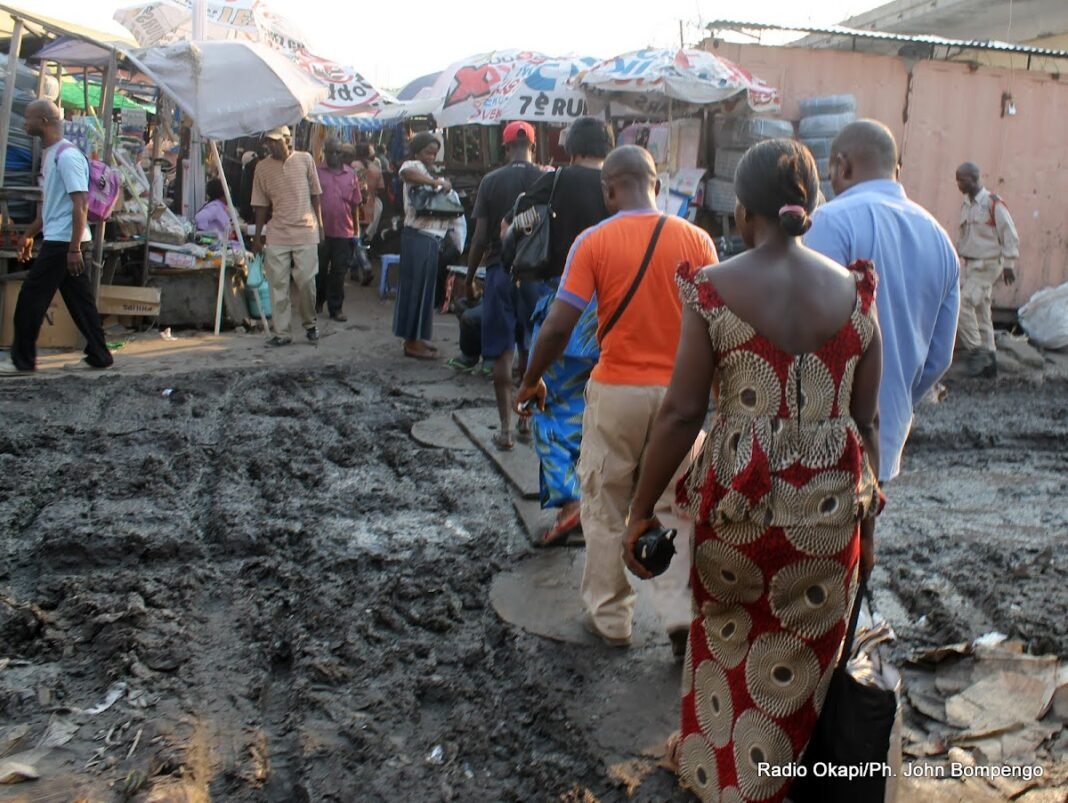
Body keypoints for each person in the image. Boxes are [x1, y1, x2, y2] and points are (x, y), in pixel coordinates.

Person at [622, 138, 884, 803]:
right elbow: (869, 425)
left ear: (743, 214)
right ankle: (785, 779)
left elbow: (682, 413)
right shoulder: (856, 296)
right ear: (811, 208)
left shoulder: (714, 290)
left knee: (728, 642)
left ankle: (729, 778)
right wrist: (870, 533)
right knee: (803, 657)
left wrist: (639, 509)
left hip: (738, 510)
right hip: (829, 519)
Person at [516, 145, 718, 652]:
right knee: (674, 503)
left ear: (610, 188)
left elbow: (560, 323)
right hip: (682, 397)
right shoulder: (698, 239)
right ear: (655, 182)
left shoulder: (594, 241)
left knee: (605, 501)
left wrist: (532, 378)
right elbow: (717, 324)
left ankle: (611, 619)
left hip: (618, 392)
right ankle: (678, 617)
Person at [804, 119, 959, 482]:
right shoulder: (940, 239)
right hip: (886, 435)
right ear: (896, 170)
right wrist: (896, 396)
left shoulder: (830, 222)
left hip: (819, 435)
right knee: (865, 533)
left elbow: (803, 328)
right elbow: (940, 358)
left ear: (842, 164)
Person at [512, 117, 613, 545]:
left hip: (567, 306)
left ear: (571, 146)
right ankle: (597, 499)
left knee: (548, 403)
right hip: (613, 313)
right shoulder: (622, 183)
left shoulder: (556, 182)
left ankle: (571, 502)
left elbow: (516, 222)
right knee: (597, 409)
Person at [0, 99, 113, 376]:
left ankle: (22, 361)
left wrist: (73, 249)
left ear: (44, 121)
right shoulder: (51, 154)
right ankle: (99, 354)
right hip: (62, 239)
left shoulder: (68, 157)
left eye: (28, 118)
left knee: (30, 297)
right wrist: (29, 233)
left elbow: (81, 204)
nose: (24, 123)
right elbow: (54, 205)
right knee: (79, 301)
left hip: (64, 243)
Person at [464, 121, 545, 449]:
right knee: (529, 348)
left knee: (501, 352)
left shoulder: (491, 181)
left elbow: (481, 237)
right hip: (535, 276)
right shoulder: (547, 179)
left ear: (505, 146)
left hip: (499, 272)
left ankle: (505, 430)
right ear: (533, 147)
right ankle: (526, 421)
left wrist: (469, 278)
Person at [250, 125, 324, 347]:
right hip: (277, 233)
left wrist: (321, 225)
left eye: (275, 141)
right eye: (268, 142)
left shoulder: (305, 159)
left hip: (306, 230)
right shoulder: (262, 168)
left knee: (306, 282)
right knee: (277, 284)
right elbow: (261, 206)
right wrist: (256, 237)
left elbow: (316, 195)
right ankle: (282, 333)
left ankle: (310, 323)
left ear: (288, 140)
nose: (270, 146)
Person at [954, 161, 1020, 378]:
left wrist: (1009, 264)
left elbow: (1009, 233)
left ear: (973, 179)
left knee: (963, 304)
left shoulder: (993, 204)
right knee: (982, 311)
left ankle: (976, 351)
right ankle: (990, 363)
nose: (958, 184)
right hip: (972, 264)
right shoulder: (967, 203)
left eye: (961, 179)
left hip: (988, 264)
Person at [394, 132, 451, 359]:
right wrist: (435, 182)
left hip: (427, 236)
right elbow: (406, 173)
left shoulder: (426, 169)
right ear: (417, 151)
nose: (431, 157)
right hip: (418, 234)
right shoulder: (412, 165)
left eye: (434, 153)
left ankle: (417, 337)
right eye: (428, 152)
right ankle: (411, 342)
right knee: (416, 289)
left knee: (423, 290)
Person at [316, 137, 362, 322]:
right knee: (319, 269)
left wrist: (357, 231)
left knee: (338, 271)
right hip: (321, 231)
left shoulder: (351, 175)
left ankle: (336, 308)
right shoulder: (317, 172)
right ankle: (318, 300)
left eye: (337, 152)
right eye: (330, 152)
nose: (334, 156)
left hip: (344, 231)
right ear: (325, 153)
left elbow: (355, 204)